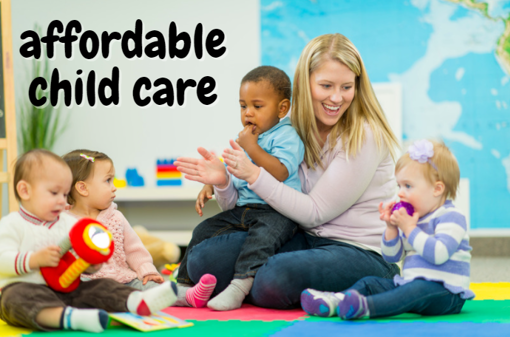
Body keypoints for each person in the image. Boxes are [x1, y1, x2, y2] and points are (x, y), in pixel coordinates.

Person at [174, 33, 401, 309]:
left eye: (347, 87)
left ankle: (377, 283)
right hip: (302, 237)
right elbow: (242, 201)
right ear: (305, 85)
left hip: (357, 250)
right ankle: (253, 285)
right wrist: (223, 181)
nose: (336, 97)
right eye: (326, 85)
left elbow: (315, 211)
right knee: (202, 261)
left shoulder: (365, 135)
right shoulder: (288, 128)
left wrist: (254, 174)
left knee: (273, 278)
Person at [0, 149, 178, 333]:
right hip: (29, 290)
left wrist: (91, 264)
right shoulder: (12, 224)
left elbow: (80, 256)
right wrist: (34, 260)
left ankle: (135, 301)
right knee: (14, 298)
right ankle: (69, 318)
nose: (62, 201)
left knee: (103, 285)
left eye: (64, 194)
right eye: (54, 193)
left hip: (68, 289)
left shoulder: (68, 223)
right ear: (25, 191)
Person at [175, 66, 305, 311]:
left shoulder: (286, 136)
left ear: (282, 108)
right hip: (244, 209)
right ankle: (183, 285)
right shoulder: (247, 138)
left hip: (276, 212)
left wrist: (252, 147)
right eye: (243, 106)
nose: (248, 113)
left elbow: (280, 172)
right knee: (204, 229)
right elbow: (234, 172)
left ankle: (240, 285)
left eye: (257, 106)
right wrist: (213, 183)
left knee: (261, 240)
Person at [301, 139, 474, 319]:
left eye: (408, 186)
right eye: (399, 185)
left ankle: (366, 307)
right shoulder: (413, 219)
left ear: (437, 189)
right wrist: (391, 228)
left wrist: (409, 229)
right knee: (370, 283)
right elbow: (392, 257)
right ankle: (336, 301)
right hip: (410, 285)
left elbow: (439, 254)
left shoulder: (451, 216)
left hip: (446, 292)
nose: (400, 192)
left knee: (416, 289)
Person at [62, 149, 216, 307]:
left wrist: (147, 271)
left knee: (152, 288)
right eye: (108, 181)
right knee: (78, 296)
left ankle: (189, 295)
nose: (114, 187)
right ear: (83, 188)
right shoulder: (63, 222)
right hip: (86, 285)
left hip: (124, 281)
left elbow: (134, 250)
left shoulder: (116, 217)